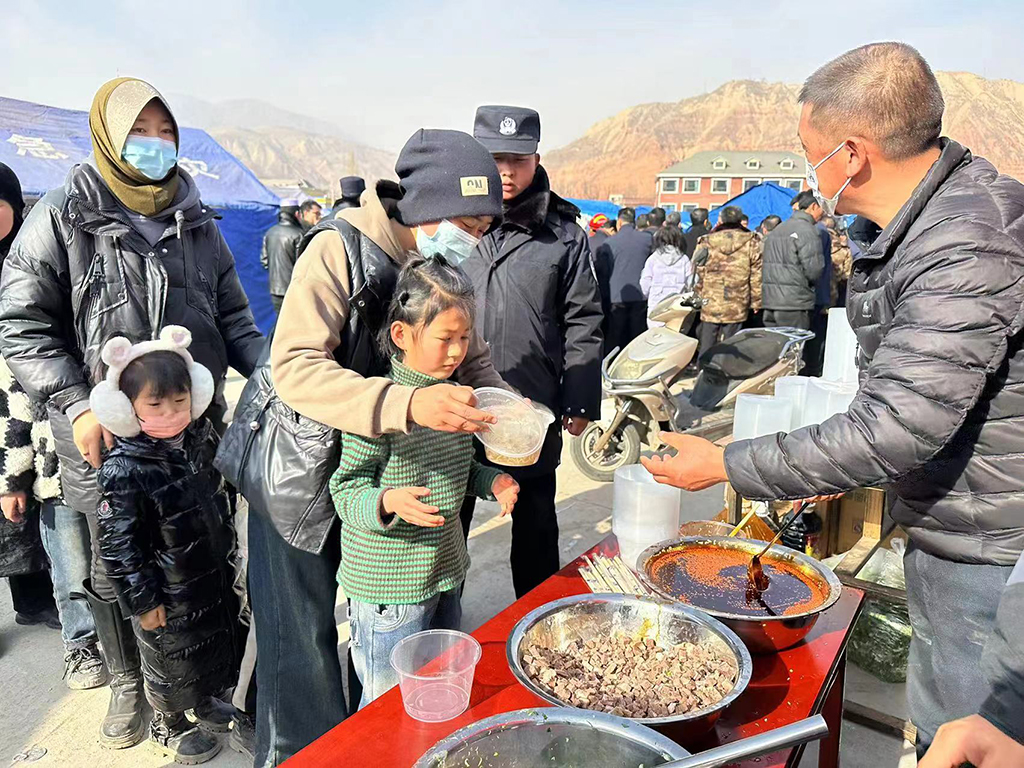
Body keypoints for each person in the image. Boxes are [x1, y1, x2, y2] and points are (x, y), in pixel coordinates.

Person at [638, 42, 1024, 758]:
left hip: (990, 552)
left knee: (969, 738)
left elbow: (902, 424)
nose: (802, 163)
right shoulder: (931, 222)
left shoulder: (964, 243)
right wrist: (823, 476)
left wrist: (726, 462)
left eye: (804, 146)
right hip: (961, 523)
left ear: (850, 153)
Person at [0, 77, 263, 749]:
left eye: (164, 131)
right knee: (117, 566)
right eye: (138, 132)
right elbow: (22, 324)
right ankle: (129, 687)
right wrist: (77, 401)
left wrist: (277, 378)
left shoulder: (195, 219)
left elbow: (233, 316)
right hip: (103, 437)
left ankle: (203, 685)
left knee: (199, 554)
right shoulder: (62, 214)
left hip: (188, 426)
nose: (154, 145)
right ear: (108, 139)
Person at [243, 128, 508, 765]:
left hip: (381, 455)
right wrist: (407, 404)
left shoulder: (440, 271)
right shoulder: (338, 249)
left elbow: (474, 362)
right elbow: (296, 365)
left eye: (481, 227)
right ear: (421, 208)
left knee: (382, 624)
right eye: (464, 222)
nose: (472, 238)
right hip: (299, 468)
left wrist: (510, 409)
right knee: (301, 643)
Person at [331, 258, 519, 707]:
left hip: (444, 573)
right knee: (384, 703)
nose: (457, 352)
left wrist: (493, 481)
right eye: (445, 339)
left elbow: (461, 468)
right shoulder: (378, 406)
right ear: (401, 335)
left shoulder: (456, 399)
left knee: (439, 685)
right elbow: (346, 489)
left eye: (464, 338)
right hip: (389, 590)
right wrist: (388, 500)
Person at [462, 105, 603, 598]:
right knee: (446, 515)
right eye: (494, 158)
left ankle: (538, 619)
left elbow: (583, 319)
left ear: (537, 159)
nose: (505, 170)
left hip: (530, 400)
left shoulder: (563, 235)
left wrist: (580, 398)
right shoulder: (452, 223)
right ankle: (440, 629)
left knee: (536, 519)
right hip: (455, 401)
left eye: (517, 160)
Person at [90, 328, 236, 764]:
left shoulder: (201, 436)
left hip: (206, 573)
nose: (172, 412)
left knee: (206, 644)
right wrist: (142, 598)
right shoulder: (123, 467)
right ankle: (166, 720)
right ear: (127, 408)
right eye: (155, 404)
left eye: (180, 400)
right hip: (162, 590)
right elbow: (118, 543)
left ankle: (205, 697)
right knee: (167, 656)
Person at [691, 205, 762, 351]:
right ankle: (729, 372)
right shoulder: (751, 241)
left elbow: (699, 271)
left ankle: (704, 371)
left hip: (711, 299)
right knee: (732, 345)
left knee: (707, 343)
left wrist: (698, 294)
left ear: (721, 220)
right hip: (738, 300)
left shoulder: (706, 241)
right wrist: (756, 301)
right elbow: (756, 275)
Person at [760, 190, 825, 330]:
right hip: (794, 302)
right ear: (814, 206)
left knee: (775, 347)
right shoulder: (808, 231)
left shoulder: (778, 229)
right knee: (794, 348)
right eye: (823, 207)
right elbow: (814, 269)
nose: (824, 212)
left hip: (770, 300)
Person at [598, 206, 654, 355]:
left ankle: (611, 367)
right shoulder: (647, 239)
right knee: (637, 336)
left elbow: (603, 273)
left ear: (619, 223)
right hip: (640, 296)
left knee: (615, 337)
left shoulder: (609, 243)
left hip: (616, 297)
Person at [639, 225, 693, 328]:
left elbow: (645, 283)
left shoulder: (653, 259)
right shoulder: (684, 259)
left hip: (656, 307)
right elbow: (690, 283)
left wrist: (649, 295)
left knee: (655, 339)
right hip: (678, 307)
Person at [261, 199, 303, 314]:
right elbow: (304, 264)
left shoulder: (270, 232)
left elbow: (264, 261)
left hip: (275, 289)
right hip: (294, 289)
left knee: (280, 322)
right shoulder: (299, 234)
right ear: (297, 214)